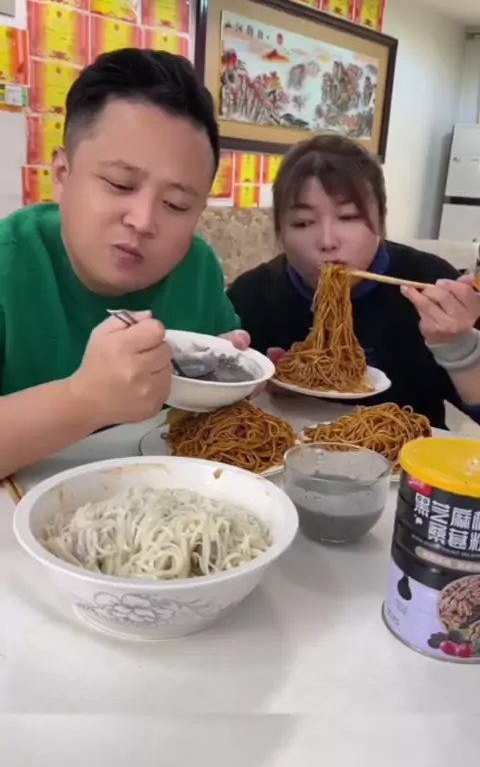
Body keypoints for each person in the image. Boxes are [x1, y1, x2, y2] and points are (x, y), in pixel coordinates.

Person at [0, 48, 247, 480]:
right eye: (120, 183)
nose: (144, 220)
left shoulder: (198, 270)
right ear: (62, 174)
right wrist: (82, 399)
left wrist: (223, 382)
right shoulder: (10, 262)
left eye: (176, 204)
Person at [227, 134, 480, 429]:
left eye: (348, 217)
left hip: (406, 454)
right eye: (303, 223)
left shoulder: (429, 284)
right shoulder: (252, 295)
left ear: (381, 219)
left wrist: (458, 347)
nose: (327, 241)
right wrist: (251, 383)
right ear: (280, 230)